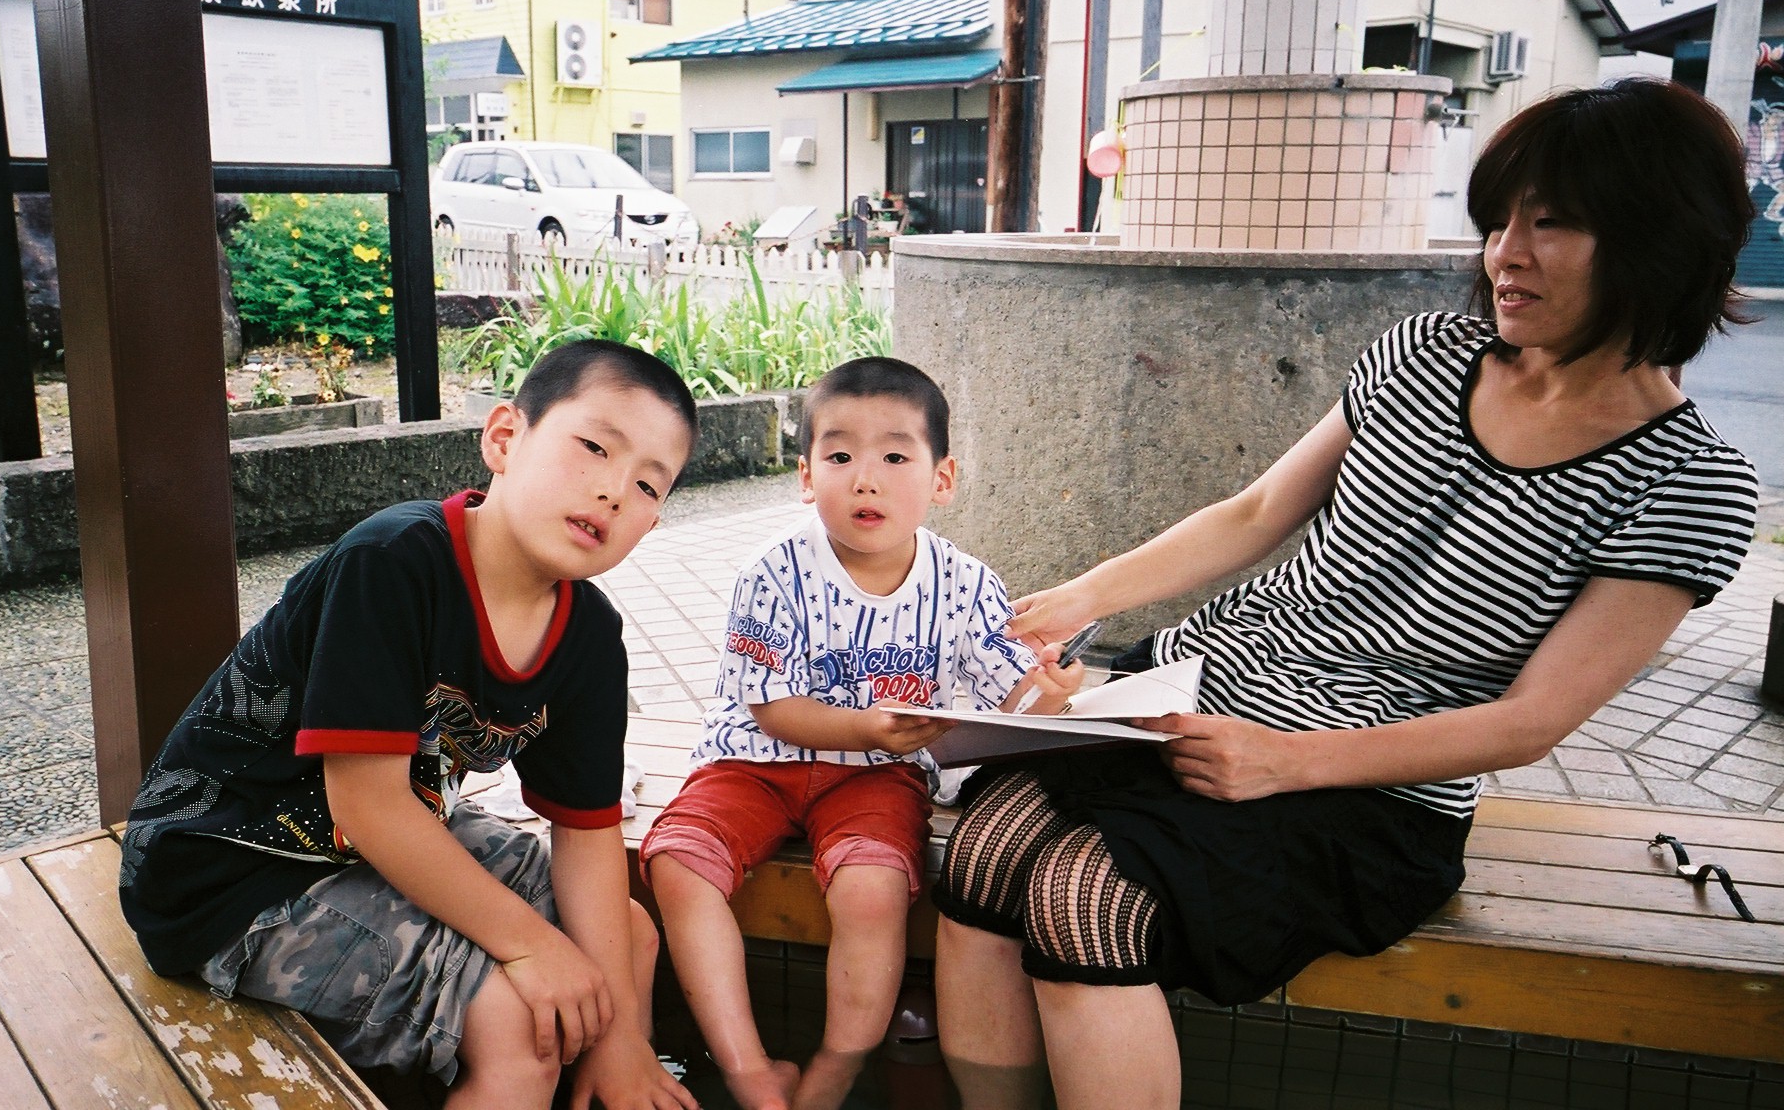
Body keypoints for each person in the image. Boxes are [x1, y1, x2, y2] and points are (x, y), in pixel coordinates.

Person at [931, 76, 1763, 1110]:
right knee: (982, 855)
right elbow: (1254, 512)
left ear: (1660, 241)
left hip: (1366, 790)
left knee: (1081, 898)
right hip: (1189, 704)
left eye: (1552, 223)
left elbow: (1530, 721)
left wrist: (1285, 762)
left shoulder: (1688, 482)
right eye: (1499, 220)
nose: (1505, 253)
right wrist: (1075, 599)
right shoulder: (1421, 355)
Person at [119, 340, 701, 1110]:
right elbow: (368, 805)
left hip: (377, 843)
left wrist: (623, 1039)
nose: (613, 490)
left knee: (629, 938)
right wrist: (532, 947)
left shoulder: (589, 637)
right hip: (231, 875)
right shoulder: (393, 562)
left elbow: (587, 833)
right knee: (519, 1026)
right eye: (594, 446)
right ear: (504, 438)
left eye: (648, 484)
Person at [640, 357, 1084, 1110]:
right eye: (840, 456)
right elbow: (769, 707)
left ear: (943, 479)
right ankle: (747, 1069)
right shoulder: (772, 573)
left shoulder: (967, 584)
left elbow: (1011, 700)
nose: (865, 480)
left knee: (874, 890)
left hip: (878, 777)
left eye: (895, 457)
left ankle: (836, 1068)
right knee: (678, 864)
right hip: (753, 762)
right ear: (806, 476)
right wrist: (868, 727)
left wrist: (1053, 688)